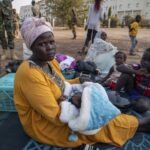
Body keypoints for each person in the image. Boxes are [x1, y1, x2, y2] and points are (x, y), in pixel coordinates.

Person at [14, 17, 150, 148]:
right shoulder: (29, 73)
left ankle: (133, 125)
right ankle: (139, 124)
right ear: (31, 46)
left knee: (98, 107)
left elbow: (60, 83)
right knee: (96, 123)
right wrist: (73, 102)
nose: (49, 47)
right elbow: (55, 116)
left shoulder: (50, 61)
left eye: (51, 41)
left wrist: (79, 80)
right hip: (45, 125)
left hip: (62, 105)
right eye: (42, 44)